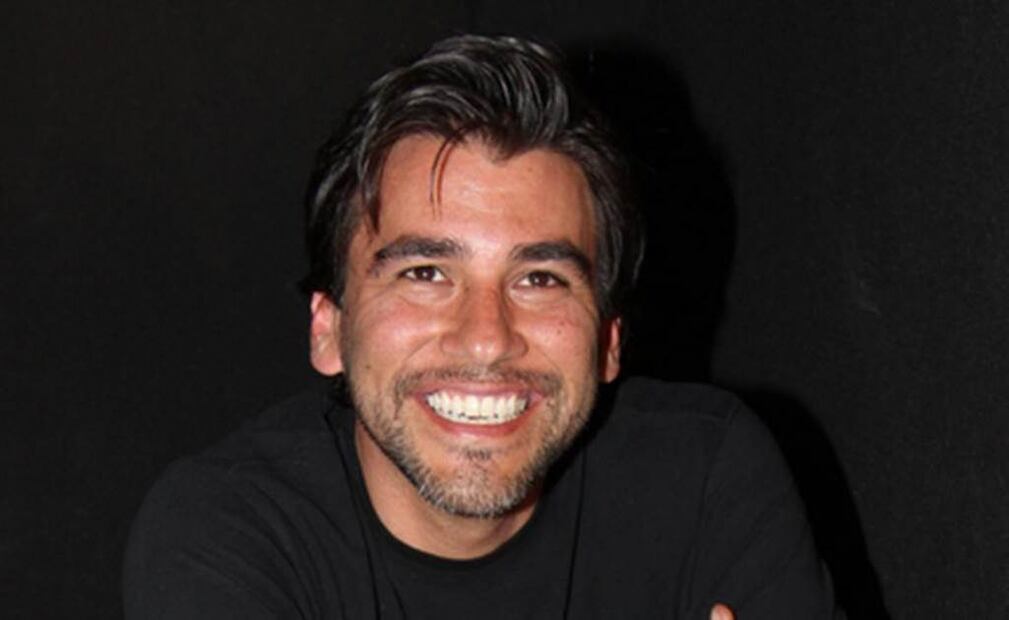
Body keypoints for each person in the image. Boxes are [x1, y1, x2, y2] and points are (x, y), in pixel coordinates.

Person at [124, 35, 838, 619]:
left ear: (609, 341)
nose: (487, 338)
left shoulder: (706, 476)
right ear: (328, 329)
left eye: (539, 279)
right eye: (425, 273)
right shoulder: (228, 531)